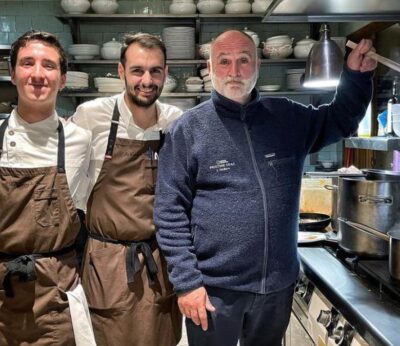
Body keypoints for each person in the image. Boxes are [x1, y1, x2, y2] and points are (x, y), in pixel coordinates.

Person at [154, 29, 377, 346]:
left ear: (257, 63)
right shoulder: (188, 130)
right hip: (215, 290)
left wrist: (355, 77)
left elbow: (340, 118)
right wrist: (187, 283)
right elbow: (169, 211)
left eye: (243, 60)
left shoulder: (286, 117)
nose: (234, 71)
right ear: (210, 66)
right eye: (224, 61)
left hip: (277, 286)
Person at [72, 32, 183, 346]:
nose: (146, 80)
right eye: (137, 70)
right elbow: (64, 185)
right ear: (121, 72)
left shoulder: (177, 123)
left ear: (165, 73)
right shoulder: (90, 117)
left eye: (155, 71)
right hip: (106, 266)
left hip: (159, 265)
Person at [0, 30, 95, 345]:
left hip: (56, 293)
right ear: (12, 74)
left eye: (49, 65)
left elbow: (84, 207)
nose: (38, 74)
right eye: (27, 63)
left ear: (63, 79)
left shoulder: (80, 141)